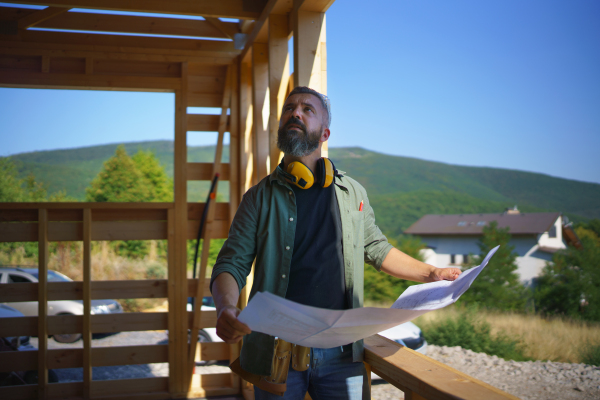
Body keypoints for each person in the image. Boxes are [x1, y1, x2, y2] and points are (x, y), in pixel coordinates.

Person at [210, 86, 462, 400]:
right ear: (280, 127)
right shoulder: (259, 198)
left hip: (343, 353)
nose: (296, 112)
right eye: (289, 108)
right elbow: (231, 264)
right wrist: (226, 307)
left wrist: (431, 274)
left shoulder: (353, 193)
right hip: (278, 353)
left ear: (325, 133)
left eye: (307, 109)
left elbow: (377, 248)